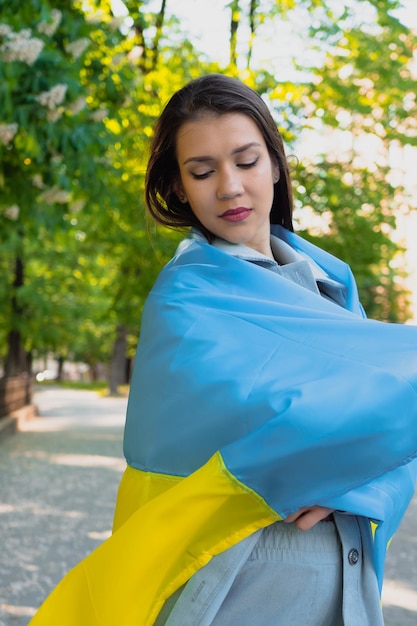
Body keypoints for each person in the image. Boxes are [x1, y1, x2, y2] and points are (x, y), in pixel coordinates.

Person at [30, 74, 417, 626]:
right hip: (246, 579)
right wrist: (338, 457)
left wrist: (353, 481)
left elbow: (390, 425)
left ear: (276, 164)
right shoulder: (187, 299)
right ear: (180, 187)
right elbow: (291, 420)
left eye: (246, 161)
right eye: (203, 171)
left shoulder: (332, 292)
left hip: (345, 574)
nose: (230, 186)